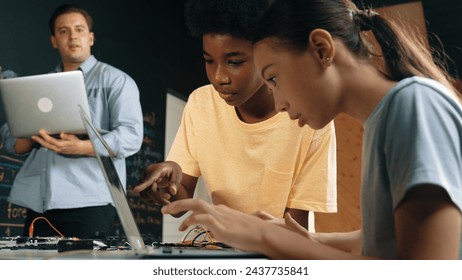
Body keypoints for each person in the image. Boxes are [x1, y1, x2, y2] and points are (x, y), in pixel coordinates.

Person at [162, 0, 462, 259]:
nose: (278, 103)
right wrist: (305, 239)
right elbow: (383, 242)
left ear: (321, 49)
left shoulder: (413, 104)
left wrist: (266, 239)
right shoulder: (385, 118)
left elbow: (426, 270)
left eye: (274, 79)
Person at [134, 0, 337, 229]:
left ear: (267, 54)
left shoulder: (308, 119)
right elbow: (180, 203)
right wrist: (166, 183)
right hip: (217, 250)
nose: (220, 77)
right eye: (209, 61)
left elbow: (295, 233)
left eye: (234, 62)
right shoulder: (201, 104)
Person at [0, 4, 143, 238]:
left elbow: (131, 136)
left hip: (89, 200)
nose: (73, 36)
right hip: (40, 202)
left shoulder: (117, 81)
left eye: (79, 29)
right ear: (54, 40)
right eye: (63, 31)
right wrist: (23, 135)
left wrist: (82, 147)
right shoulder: (39, 85)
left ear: (91, 37)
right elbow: (16, 143)